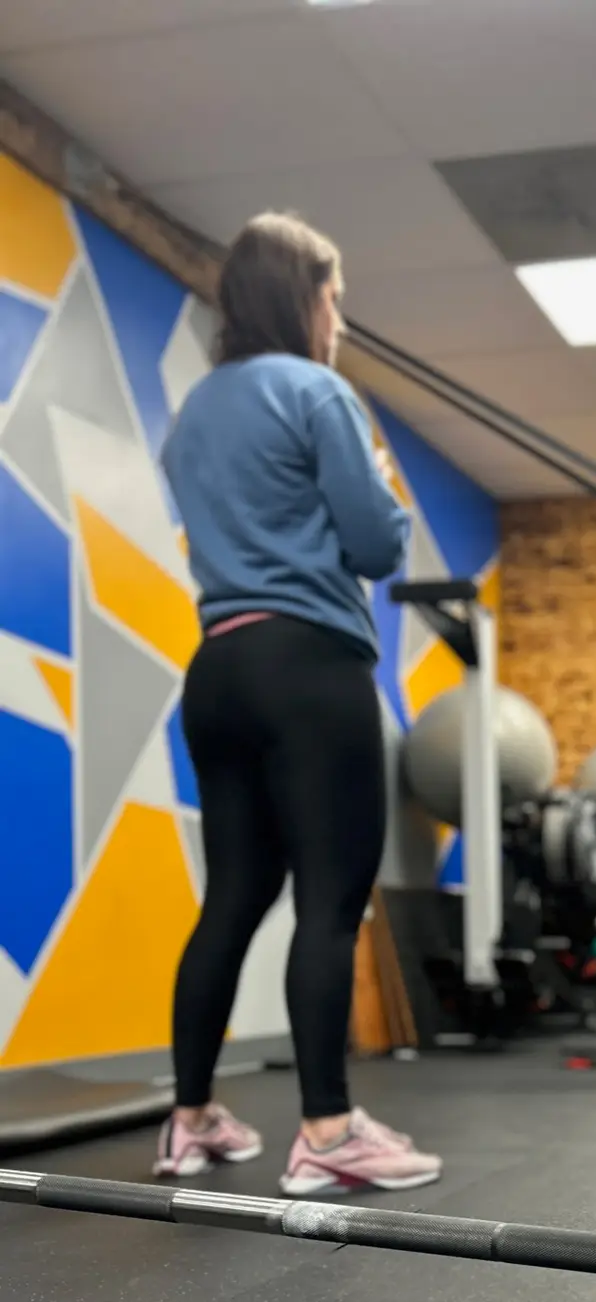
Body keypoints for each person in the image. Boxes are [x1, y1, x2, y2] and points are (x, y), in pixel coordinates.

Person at [154, 212, 442, 1193]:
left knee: (231, 898)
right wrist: (388, 505)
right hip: (307, 666)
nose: (341, 320)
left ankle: (188, 1119)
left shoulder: (193, 412)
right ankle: (325, 1132)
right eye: (335, 299)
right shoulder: (316, 391)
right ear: (303, 300)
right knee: (330, 901)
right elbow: (374, 545)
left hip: (218, 668)